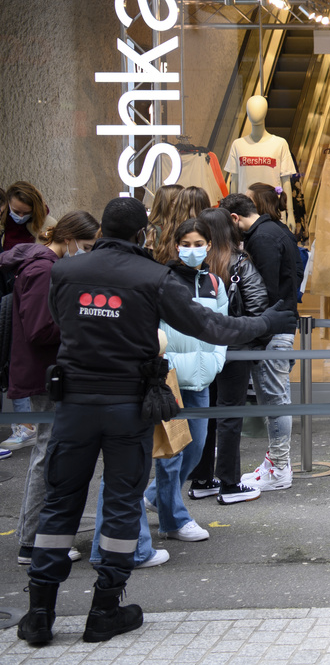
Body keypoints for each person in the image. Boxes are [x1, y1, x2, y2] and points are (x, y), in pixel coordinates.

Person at [17, 197, 295, 648]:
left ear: (102, 228)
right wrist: (266, 319)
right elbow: (212, 327)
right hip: (129, 404)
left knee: (60, 503)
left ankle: (39, 615)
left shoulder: (65, 272)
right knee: (123, 503)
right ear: (143, 235)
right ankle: (105, 609)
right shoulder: (153, 277)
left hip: (73, 405)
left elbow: (61, 323)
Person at [1, 210, 99, 565]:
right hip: (47, 374)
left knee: (50, 451)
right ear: (70, 238)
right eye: (85, 246)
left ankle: (37, 538)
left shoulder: (41, 263)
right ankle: (35, 541)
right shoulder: (44, 269)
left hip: (45, 372)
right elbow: (41, 329)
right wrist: (83, 324)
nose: (85, 253)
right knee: (48, 453)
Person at [141, 218, 228, 543]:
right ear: (176, 246)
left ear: (208, 246)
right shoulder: (164, 281)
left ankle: (156, 498)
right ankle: (173, 519)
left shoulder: (214, 284)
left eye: (198, 244)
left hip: (202, 378)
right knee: (171, 453)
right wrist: (167, 362)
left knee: (195, 449)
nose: (192, 250)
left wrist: (217, 360)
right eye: (186, 244)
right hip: (171, 378)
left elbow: (222, 325)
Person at [220, 191, 302, 491]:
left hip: (272, 328)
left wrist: (260, 329)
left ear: (234, 217)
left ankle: (280, 467)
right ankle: (277, 463)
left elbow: (263, 290)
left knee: (275, 397)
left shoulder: (261, 238)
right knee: (275, 396)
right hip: (281, 323)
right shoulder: (277, 230)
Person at [186, 207, 267, 505]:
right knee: (230, 414)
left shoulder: (193, 267)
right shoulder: (238, 262)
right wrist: (252, 340)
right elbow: (258, 305)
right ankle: (230, 484)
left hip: (201, 349)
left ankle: (202, 479)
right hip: (234, 349)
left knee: (205, 414)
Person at [1, 181, 50, 452]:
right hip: (6, 294)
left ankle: (25, 425)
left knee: (18, 359)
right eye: (14, 210)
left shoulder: (45, 225)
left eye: (23, 212)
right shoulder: (3, 223)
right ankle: (22, 424)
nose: (17, 215)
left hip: (22, 295)